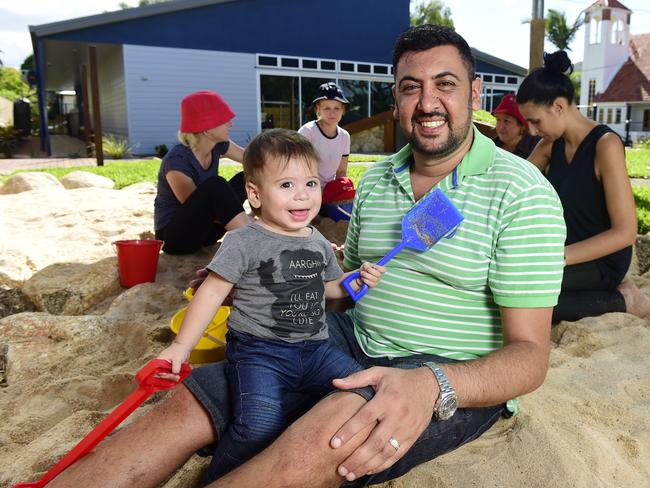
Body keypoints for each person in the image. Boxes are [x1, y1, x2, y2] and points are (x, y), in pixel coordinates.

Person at [48, 25, 566, 488]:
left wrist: (432, 383)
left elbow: (529, 357)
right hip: (342, 339)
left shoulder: (522, 192)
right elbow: (344, 293)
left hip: (447, 369)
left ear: (475, 92)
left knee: (321, 439)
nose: (428, 102)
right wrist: (266, 281)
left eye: (445, 84)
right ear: (397, 96)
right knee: (194, 401)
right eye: (411, 87)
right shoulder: (378, 180)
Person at [157, 128, 384, 481]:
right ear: (255, 194)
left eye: (310, 184)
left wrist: (353, 282)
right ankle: (218, 477)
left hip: (315, 349)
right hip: (259, 352)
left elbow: (327, 289)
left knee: (362, 391)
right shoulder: (243, 241)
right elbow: (212, 293)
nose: (302, 197)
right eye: (286, 186)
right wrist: (180, 346)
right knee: (258, 426)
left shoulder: (319, 242)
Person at [516, 51, 650, 323]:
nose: (531, 131)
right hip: (561, 254)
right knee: (512, 291)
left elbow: (625, 232)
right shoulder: (550, 145)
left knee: (528, 303)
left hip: (601, 260)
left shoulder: (606, 145)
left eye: (535, 121)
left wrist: (557, 257)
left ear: (559, 107)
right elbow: (515, 182)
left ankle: (625, 299)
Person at [154, 90, 250, 255]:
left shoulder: (218, 145)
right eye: (224, 120)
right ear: (207, 129)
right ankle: (255, 241)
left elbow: (252, 159)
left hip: (207, 234)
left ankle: (268, 227)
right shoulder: (176, 162)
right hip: (176, 239)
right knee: (216, 185)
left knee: (249, 175)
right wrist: (244, 221)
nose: (230, 124)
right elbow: (203, 212)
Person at [298, 82, 351, 189]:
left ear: (343, 110)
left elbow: (341, 172)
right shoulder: (308, 131)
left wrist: (340, 192)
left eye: (337, 108)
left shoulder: (344, 136)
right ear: (318, 109)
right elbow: (297, 168)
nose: (332, 113)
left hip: (329, 191)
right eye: (327, 108)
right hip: (306, 188)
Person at [491, 93, 540, 159]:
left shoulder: (536, 147)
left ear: (522, 126)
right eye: (498, 119)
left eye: (506, 121)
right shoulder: (491, 147)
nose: (501, 127)